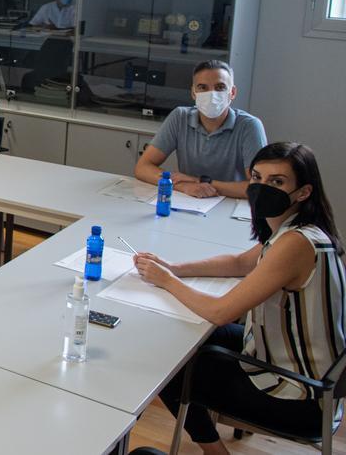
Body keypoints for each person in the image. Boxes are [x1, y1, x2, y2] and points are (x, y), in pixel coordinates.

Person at [138, 142, 344, 455]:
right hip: (308, 376)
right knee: (183, 341)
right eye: (257, 178)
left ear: (303, 192)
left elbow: (221, 311)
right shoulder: (302, 230)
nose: (262, 188)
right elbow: (240, 264)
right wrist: (175, 267)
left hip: (301, 399)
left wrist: (166, 281)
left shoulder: (296, 244)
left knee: (167, 362)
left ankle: (214, 451)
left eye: (276, 182)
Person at [134, 60, 266, 199]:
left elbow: (259, 187)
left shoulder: (249, 126)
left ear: (232, 92)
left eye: (220, 87)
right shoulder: (180, 117)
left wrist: (201, 181)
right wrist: (184, 186)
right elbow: (142, 168)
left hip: (231, 204)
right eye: (203, 87)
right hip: (190, 200)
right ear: (193, 93)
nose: (211, 95)